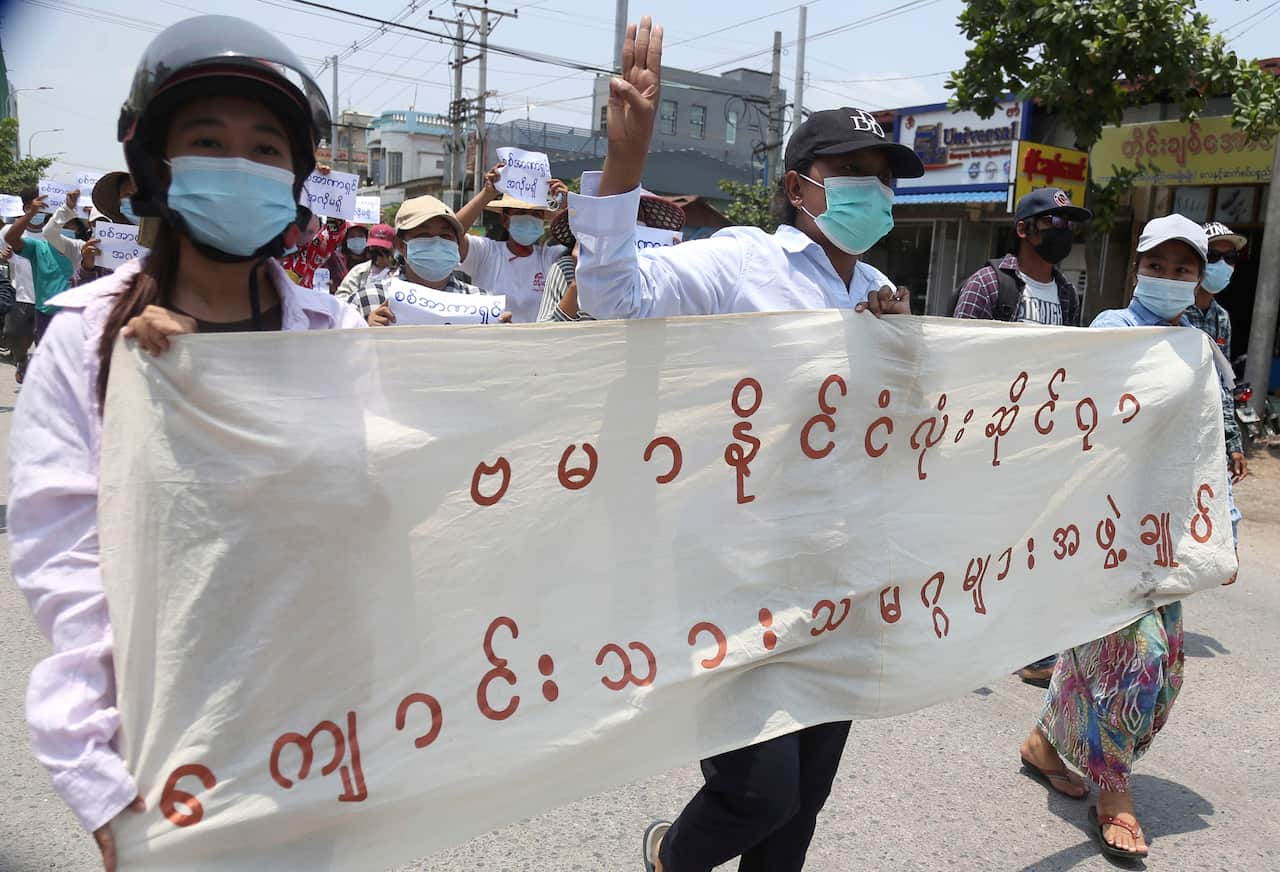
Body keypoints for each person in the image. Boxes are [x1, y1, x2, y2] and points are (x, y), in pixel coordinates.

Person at [8, 16, 363, 872]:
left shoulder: (337, 335)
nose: (239, 164)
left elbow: (383, 511)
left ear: (295, 177)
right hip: (169, 739)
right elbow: (65, 566)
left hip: (323, 726)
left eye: (265, 148)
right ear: (155, 165)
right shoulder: (89, 341)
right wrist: (96, 771)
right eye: (208, 141)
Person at [569, 19, 915, 872]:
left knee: (802, 805)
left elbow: (899, 431)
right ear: (799, 186)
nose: (875, 191)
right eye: (854, 173)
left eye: (884, 177)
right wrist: (626, 163)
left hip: (837, 575)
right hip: (733, 576)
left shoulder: (880, 290)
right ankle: (671, 858)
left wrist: (901, 352)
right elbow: (613, 297)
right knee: (759, 792)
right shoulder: (742, 263)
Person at [1017, 213, 1238, 862]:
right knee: (1135, 661)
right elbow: (1075, 420)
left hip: (1163, 531)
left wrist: (1219, 528)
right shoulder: (1111, 332)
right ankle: (1114, 793)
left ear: (1198, 277)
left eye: (1183, 268)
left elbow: (1207, 441)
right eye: (1157, 266)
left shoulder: (1198, 344)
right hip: (1104, 531)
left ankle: (1044, 743)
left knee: (1161, 668)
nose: (1169, 277)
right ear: (1137, 269)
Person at [537, 193, 686, 323]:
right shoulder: (566, 269)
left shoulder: (658, 273)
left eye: (634, 216)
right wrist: (578, 282)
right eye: (616, 217)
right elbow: (544, 336)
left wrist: (679, 272)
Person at [954, 187, 1090, 326]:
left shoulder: (1068, 293)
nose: (1065, 230)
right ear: (1022, 229)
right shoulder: (987, 284)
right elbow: (962, 337)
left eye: (1070, 224)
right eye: (1056, 221)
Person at [454, 164, 569, 323]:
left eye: (536, 214)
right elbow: (452, 235)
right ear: (505, 220)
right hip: (491, 338)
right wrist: (486, 194)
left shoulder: (550, 257)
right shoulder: (485, 253)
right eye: (520, 212)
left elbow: (588, 249)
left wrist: (571, 207)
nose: (529, 218)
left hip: (537, 339)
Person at [357, 195, 489, 327]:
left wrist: (499, 331)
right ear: (400, 245)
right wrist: (364, 331)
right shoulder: (367, 300)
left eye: (445, 236)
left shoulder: (482, 304)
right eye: (424, 235)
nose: (437, 244)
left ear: (457, 244)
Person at [3, 189, 75, 348]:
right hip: (22, 296)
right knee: (15, 337)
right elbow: (10, 240)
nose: (39, 211)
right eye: (36, 207)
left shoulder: (61, 237)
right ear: (26, 208)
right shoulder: (21, 235)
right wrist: (5, 257)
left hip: (52, 304)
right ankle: (21, 359)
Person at [336, 222, 395, 306]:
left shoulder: (400, 274)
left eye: (383, 250)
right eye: (375, 249)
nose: (379, 254)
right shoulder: (359, 271)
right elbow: (341, 296)